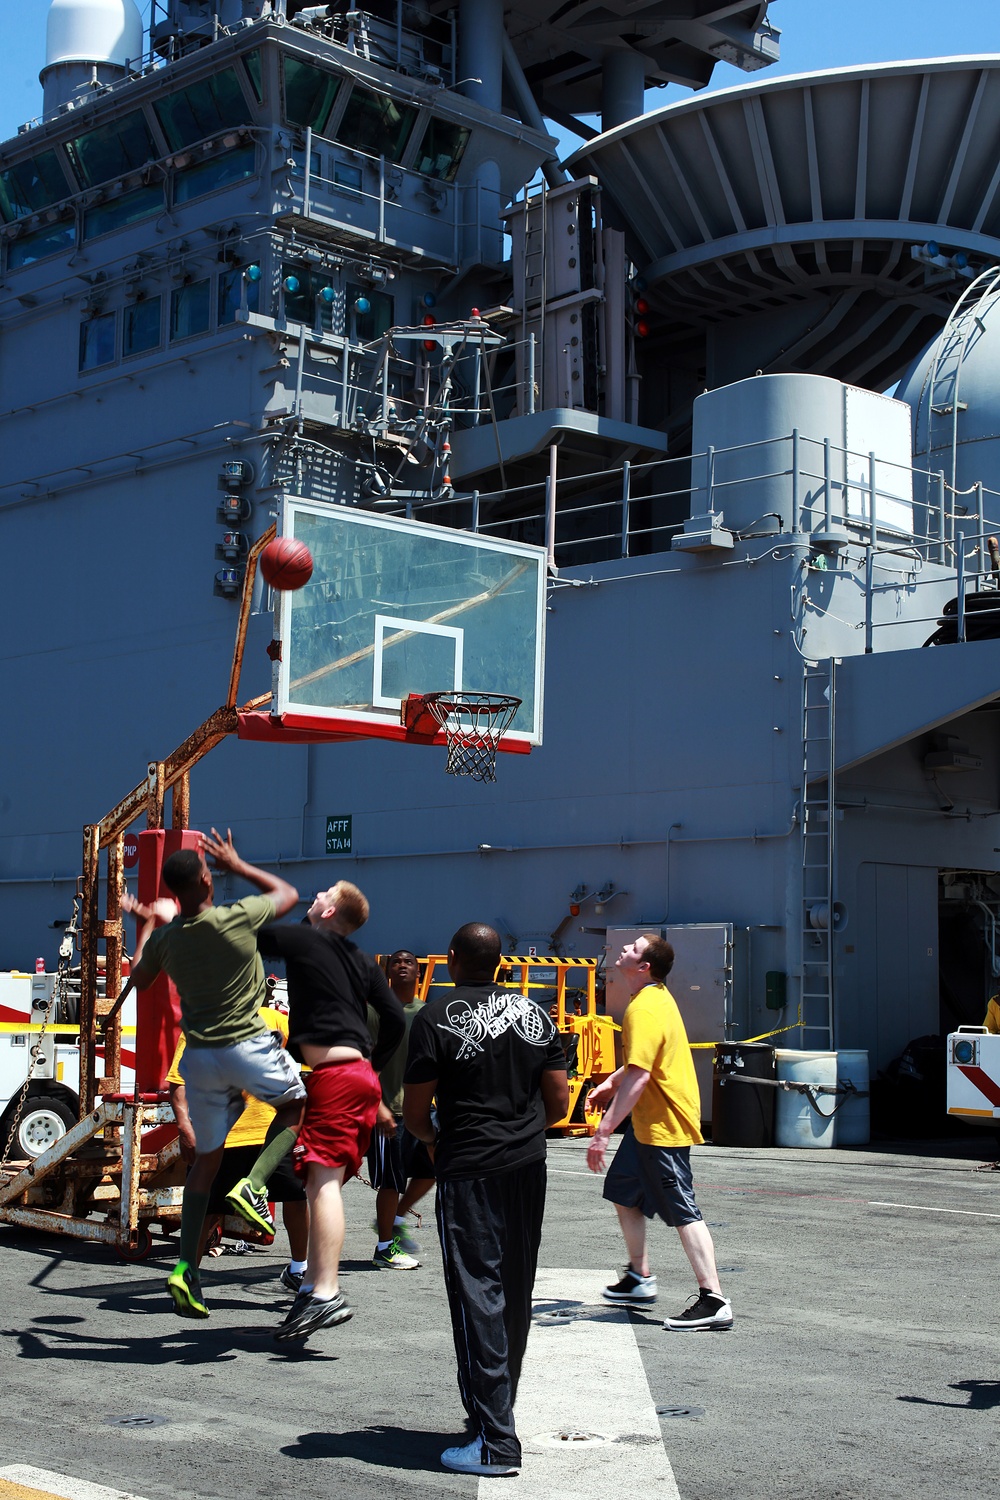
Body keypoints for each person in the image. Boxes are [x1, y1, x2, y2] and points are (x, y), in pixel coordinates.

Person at [404, 922, 569, 1478]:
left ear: (452, 959)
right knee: (515, 1288)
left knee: (478, 1293)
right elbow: (560, 1103)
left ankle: (496, 1442)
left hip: (469, 1165)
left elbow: (414, 1112)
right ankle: (497, 1417)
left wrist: (437, 1139)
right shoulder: (536, 1013)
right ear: (500, 962)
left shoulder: (433, 1016)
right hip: (527, 1164)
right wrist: (519, 1134)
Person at [125, 829, 305, 1320]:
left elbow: (138, 979)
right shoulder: (234, 916)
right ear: (207, 878)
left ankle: (185, 1266)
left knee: (206, 1161)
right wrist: (239, 863)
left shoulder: (165, 939)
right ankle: (254, 1185)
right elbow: (288, 895)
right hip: (245, 1042)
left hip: (200, 1056)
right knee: (294, 1105)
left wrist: (145, 923)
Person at [257, 881, 405, 1341]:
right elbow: (395, 1020)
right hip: (356, 1076)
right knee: (321, 1180)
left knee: (321, 1184)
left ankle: (324, 1291)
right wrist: (372, 1074)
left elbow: (249, 932)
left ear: (330, 910)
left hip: (338, 1076)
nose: (315, 894)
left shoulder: (310, 942)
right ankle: (310, 1288)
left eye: (323, 893)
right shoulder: (358, 959)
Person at [586, 933, 733, 1332]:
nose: (623, 950)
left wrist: (603, 1131)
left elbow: (641, 1074)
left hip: (664, 1126)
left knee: (684, 1210)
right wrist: (611, 1083)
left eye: (632, 949)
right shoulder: (651, 999)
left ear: (643, 965)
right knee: (621, 1191)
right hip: (647, 1125)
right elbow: (642, 1062)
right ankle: (638, 1277)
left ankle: (714, 1298)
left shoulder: (645, 1008)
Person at [166, 1004, 309, 1287]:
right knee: (207, 1211)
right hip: (223, 1137)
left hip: (271, 1137)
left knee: (295, 1197)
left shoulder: (277, 1020)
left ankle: (299, 1270)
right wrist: (184, 1126)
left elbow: (309, 1065)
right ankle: (188, 1278)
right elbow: (178, 1081)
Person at [367, 948, 435, 1269]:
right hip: (386, 1112)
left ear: (418, 973)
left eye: (409, 962)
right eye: (397, 962)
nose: (403, 966)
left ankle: (394, 1219)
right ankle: (384, 1248)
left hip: (421, 1112)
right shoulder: (375, 1011)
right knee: (392, 1180)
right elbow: (362, 1061)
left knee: (430, 1172)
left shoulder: (427, 1013)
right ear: (388, 971)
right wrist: (376, 1104)